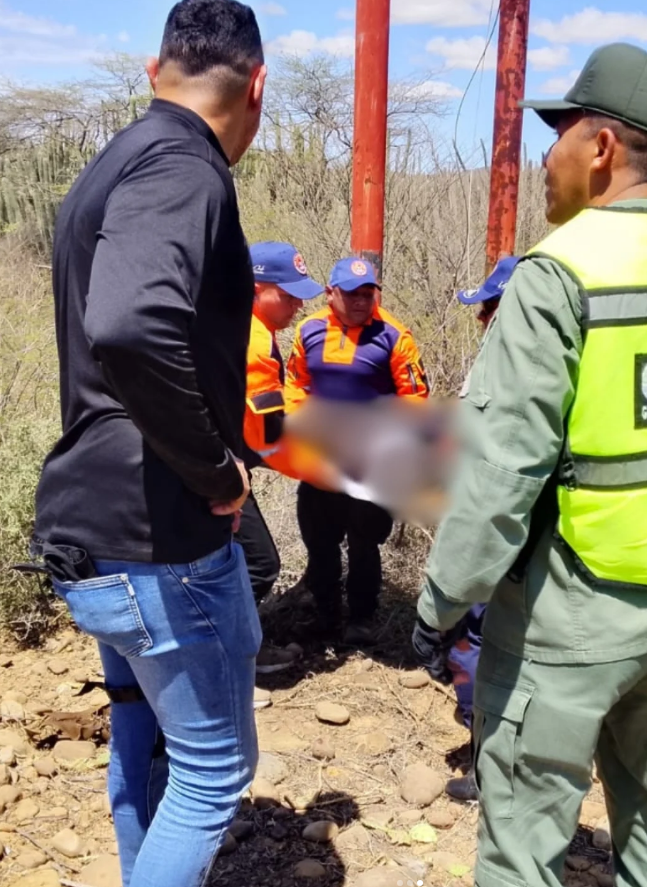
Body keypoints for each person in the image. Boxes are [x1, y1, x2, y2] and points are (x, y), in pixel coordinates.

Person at [413, 43, 647, 887]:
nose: (545, 156)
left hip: (565, 616)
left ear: (600, 146)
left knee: (521, 847)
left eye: (557, 135)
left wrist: (444, 598)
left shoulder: (559, 275)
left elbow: (501, 468)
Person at [30, 2, 267, 885]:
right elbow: (130, 325)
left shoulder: (118, 160)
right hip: (159, 533)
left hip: (94, 523)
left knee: (141, 724)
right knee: (212, 772)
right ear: (257, 85)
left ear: (152, 72)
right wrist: (216, 470)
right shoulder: (183, 166)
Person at [415, 256, 520, 803]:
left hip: (495, 533)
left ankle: (488, 763)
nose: (480, 321)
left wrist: (438, 606)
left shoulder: (507, 374)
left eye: (487, 310)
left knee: (472, 639)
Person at [285, 258, 430, 646]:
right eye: (351, 294)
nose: (361, 301)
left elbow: (415, 399)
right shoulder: (309, 330)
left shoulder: (394, 335)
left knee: (364, 542)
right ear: (330, 293)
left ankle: (362, 617)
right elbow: (295, 385)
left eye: (368, 293)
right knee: (320, 542)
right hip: (321, 461)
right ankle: (325, 615)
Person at [239, 241, 327, 673]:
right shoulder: (253, 342)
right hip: (216, 471)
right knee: (258, 565)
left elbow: (275, 400)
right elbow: (265, 438)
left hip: (212, 463)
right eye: (287, 294)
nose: (297, 304)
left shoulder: (250, 327)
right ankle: (236, 658)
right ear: (257, 288)